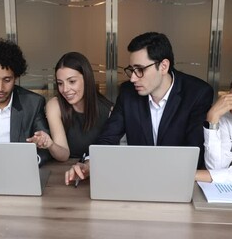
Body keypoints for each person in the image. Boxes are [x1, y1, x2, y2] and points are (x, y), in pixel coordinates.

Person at [65, 32, 214, 186]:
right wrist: (89, 164)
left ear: (163, 66)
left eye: (140, 69)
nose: (133, 78)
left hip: (179, 181)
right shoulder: (128, 92)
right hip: (138, 180)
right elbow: (108, 137)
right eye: (132, 69)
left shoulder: (197, 93)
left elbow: (194, 152)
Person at [26, 52, 113, 161]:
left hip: (98, 169)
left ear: (87, 79)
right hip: (66, 170)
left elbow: (110, 155)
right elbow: (63, 155)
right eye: (60, 83)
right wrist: (50, 144)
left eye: (72, 81)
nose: (65, 90)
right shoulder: (55, 105)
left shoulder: (109, 110)